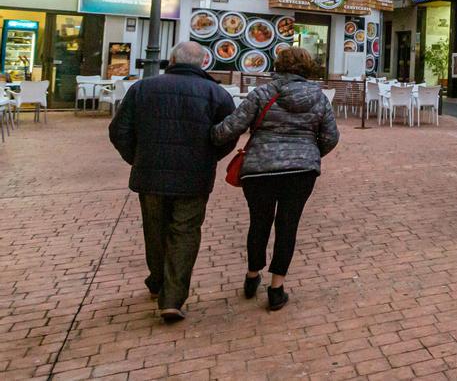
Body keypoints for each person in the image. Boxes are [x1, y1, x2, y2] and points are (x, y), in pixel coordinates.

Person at [108, 41, 236, 323]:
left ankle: (157, 281)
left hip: (150, 174)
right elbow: (229, 133)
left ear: (171, 59)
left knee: (154, 229)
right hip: (194, 176)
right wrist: (209, 157)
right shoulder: (216, 93)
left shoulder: (142, 89)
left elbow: (119, 130)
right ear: (203, 63)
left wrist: (137, 158)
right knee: (185, 232)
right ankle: (172, 297)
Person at [212, 46, 338, 311]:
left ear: (279, 65)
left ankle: (252, 275)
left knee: (259, 222)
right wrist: (310, 153)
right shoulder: (318, 97)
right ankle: (277, 286)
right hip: (301, 171)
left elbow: (232, 127)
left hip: (260, 169)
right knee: (287, 225)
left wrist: (207, 134)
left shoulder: (262, 93)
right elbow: (331, 136)